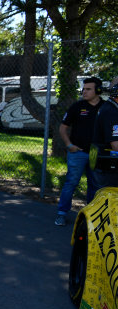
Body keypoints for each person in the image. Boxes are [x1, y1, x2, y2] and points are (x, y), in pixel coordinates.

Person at [54, 77, 105, 226]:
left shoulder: (106, 108)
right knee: (71, 182)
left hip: (97, 155)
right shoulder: (77, 107)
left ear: (98, 90)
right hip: (77, 153)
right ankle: (61, 214)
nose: (84, 91)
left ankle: (90, 217)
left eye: (88, 89)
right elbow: (62, 128)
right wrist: (69, 145)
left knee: (95, 186)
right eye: (83, 89)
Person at [89, 78, 118, 194]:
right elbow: (116, 145)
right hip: (107, 166)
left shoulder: (109, 108)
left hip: (102, 162)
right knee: (108, 199)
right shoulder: (112, 113)